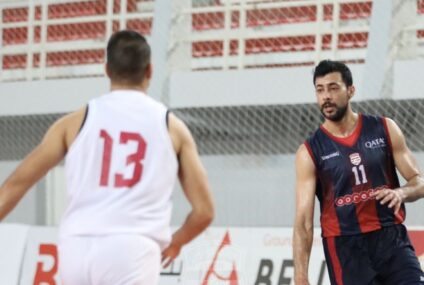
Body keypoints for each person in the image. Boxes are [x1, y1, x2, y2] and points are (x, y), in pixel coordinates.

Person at [0, 30, 214, 285]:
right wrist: (176, 243)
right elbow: (204, 212)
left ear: (106, 70)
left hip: (76, 248)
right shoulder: (172, 127)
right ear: (150, 71)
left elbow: (16, 184)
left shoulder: (73, 123)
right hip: (132, 249)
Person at [293, 59, 424, 285]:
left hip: (390, 238)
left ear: (351, 90)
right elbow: (304, 220)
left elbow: (419, 181)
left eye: (333, 88)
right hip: (345, 249)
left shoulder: (384, 128)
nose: (326, 97)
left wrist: (401, 193)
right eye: (320, 90)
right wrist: (300, 276)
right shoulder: (309, 151)